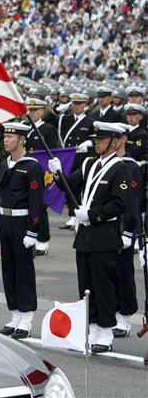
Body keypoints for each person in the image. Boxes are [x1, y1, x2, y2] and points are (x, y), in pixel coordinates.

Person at [49, 122, 131, 353]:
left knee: (103, 285)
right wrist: (57, 174)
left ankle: (105, 331)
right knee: (87, 285)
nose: (96, 141)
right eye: (96, 138)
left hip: (104, 233)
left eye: (102, 138)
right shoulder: (89, 164)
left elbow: (119, 203)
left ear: (115, 142)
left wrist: (93, 214)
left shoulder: (120, 168)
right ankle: (93, 326)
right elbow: (69, 184)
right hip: (85, 235)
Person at [0, 123, 44, 340]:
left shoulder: (31, 166)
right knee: (9, 269)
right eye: (5, 136)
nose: (6, 140)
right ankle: (15, 315)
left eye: (10, 136)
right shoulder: (4, 164)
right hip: (5, 220)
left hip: (22, 222)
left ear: (22, 139)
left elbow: (36, 201)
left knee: (24, 271)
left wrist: (33, 230)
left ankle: (27, 319)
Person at [111, 123, 142, 338]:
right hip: (104, 226)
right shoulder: (104, 164)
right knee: (107, 274)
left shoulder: (131, 166)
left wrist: (130, 231)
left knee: (123, 273)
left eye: (113, 138)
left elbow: (134, 202)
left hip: (122, 226)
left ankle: (125, 316)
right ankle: (111, 312)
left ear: (122, 140)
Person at [24, 98, 60, 255]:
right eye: (30, 110)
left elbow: (53, 152)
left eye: (35, 110)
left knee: (40, 205)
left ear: (42, 111)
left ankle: (43, 241)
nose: (32, 113)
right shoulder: (24, 127)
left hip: (41, 172)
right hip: (25, 171)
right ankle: (30, 234)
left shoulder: (48, 129)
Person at [57, 93, 95, 230]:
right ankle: (72, 215)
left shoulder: (90, 121)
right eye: (74, 103)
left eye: (80, 103)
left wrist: (89, 143)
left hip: (82, 159)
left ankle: (81, 213)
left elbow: (96, 139)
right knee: (69, 186)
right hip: (68, 158)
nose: (77, 106)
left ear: (85, 105)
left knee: (81, 187)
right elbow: (58, 131)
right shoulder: (65, 119)